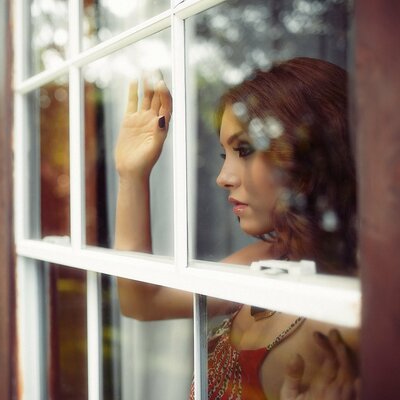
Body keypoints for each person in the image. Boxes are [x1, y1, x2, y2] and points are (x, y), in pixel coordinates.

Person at [113, 57, 359, 400]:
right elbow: (142, 301)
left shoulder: (354, 313)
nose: (223, 178)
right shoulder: (266, 258)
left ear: (308, 153)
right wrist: (132, 174)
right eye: (224, 155)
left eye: (243, 150)